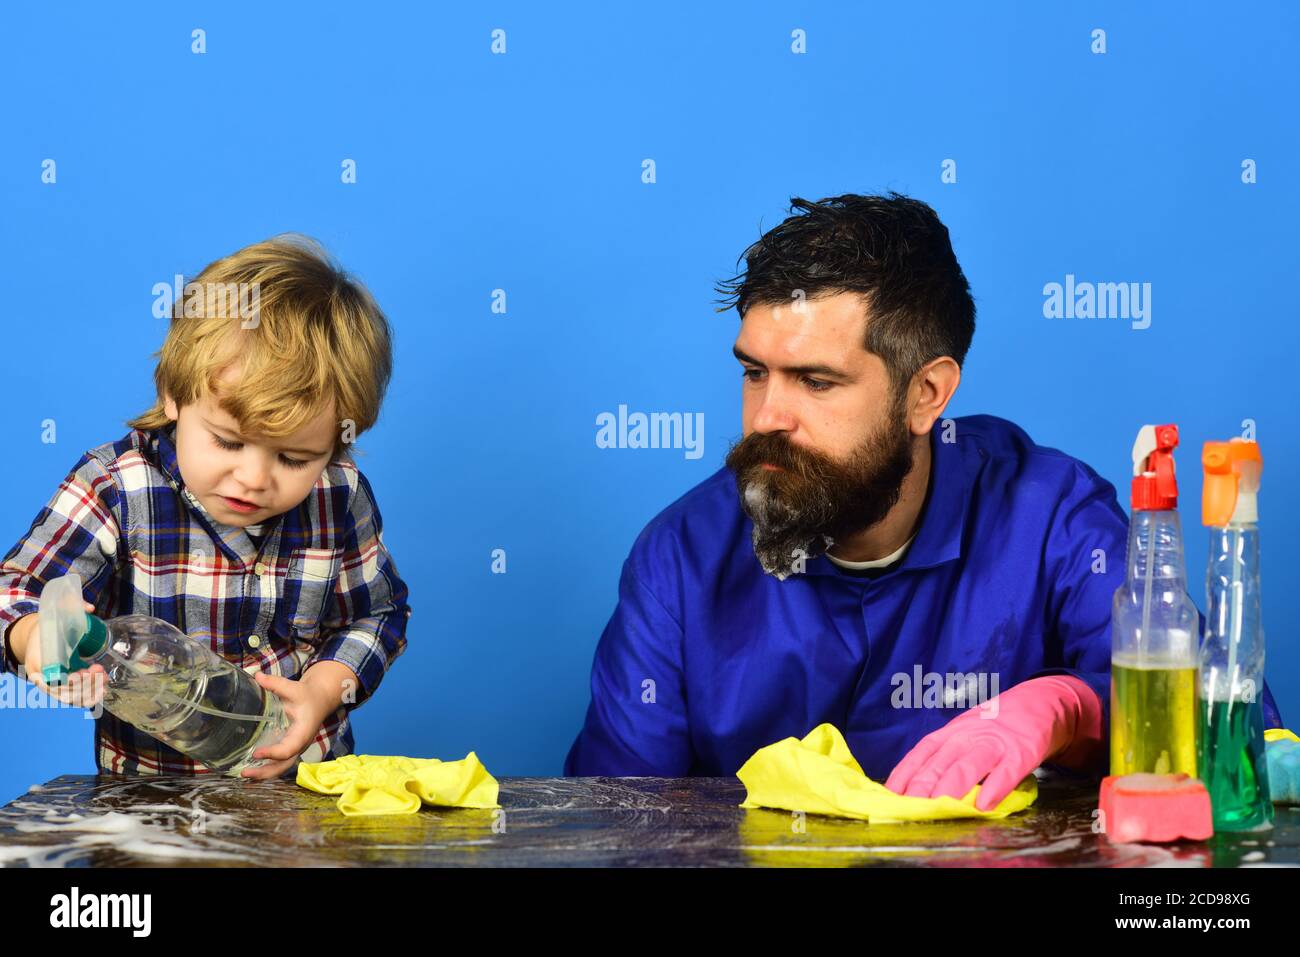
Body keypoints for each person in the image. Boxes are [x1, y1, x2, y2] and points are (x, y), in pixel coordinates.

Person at [565, 193, 1282, 808]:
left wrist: (1075, 707)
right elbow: (622, 817)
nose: (765, 419)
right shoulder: (681, 557)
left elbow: (1233, 740)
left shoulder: (1051, 519)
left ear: (927, 394)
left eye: (815, 381)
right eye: (756, 372)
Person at [0, 235, 410, 778]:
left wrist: (323, 688)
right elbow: (15, 592)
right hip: (152, 810)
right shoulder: (116, 486)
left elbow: (376, 614)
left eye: (292, 457)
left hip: (304, 796)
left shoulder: (340, 493)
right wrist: (35, 638)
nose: (254, 478)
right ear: (173, 394)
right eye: (229, 442)